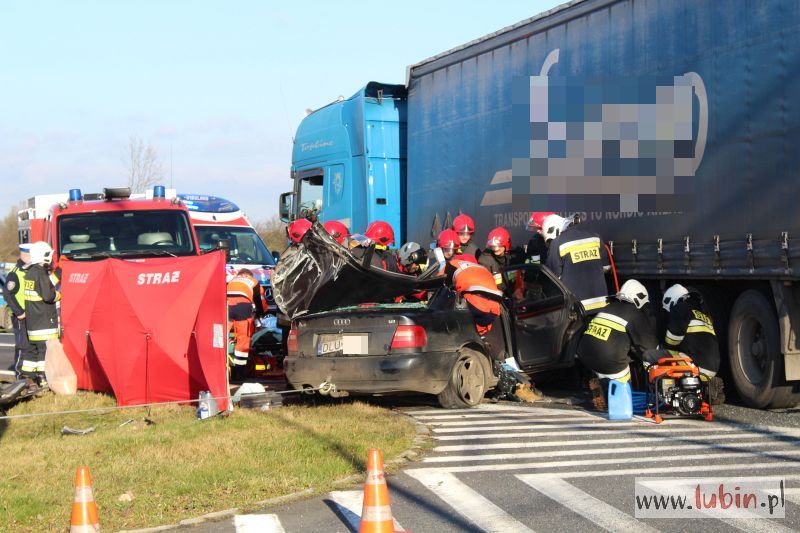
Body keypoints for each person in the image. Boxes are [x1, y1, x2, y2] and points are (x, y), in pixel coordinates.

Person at [450, 257, 540, 402]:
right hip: (494, 307)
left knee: (485, 341)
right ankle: (514, 380)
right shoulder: (481, 270)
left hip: (477, 306)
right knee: (495, 345)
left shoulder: (451, 268)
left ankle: (510, 381)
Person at [576, 280, 658, 408]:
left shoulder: (608, 307)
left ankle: (602, 383)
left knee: (613, 360)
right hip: (607, 359)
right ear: (639, 298)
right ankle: (617, 403)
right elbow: (648, 346)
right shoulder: (634, 313)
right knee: (623, 382)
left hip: (585, 354)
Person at [653, 284, 723, 403]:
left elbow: (672, 340)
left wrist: (662, 348)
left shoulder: (679, 308)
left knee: (651, 355)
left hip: (694, 365)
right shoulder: (703, 313)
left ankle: (658, 395)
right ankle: (705, 388)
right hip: (712, 368)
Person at [543, 214, 610, 314]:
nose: (550, 242)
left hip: (577, 308)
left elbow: (552, 278)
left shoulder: (557, 243)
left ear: (554, 230)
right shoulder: (595, 237)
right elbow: (606, 267)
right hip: (601, 304)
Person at [21, 241, 60, 386]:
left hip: (33, 322)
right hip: (44, 321)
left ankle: (28, 377)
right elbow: (48, 295)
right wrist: (59, 295)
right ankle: (44, 380)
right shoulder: (40, 273)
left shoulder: (31, 272)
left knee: (34, 352)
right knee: (44, 352)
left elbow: (44, 284)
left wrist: (58, 274)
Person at [226, 268, 266, 380]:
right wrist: (260, 314)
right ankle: (239, 373)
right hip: (242, 307)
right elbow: (260, 302)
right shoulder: (254, 281)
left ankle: (223, 367)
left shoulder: (232, 280)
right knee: (243, 339)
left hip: (226, 305)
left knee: (222, 337)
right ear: (250, 275)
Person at [2, 244, 31, 379]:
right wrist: (19, 312)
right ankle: (20, 374)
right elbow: (8, 294)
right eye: (30, 255)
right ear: (24, 255)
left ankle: (30, 374)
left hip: (33, 315)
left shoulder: (30, 270)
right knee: (22, 345)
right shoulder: (15, 272)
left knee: (32, 346)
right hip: (21, 316)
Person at [478, 227, 524, 292]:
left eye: (498, 246)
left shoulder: (515, 255)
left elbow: (521, 276)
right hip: (495, 294)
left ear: (506, 245)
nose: (495, 249)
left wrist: (518, 290)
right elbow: (484, 283)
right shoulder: (485, 259)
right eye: (493, 246)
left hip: (514, 293)